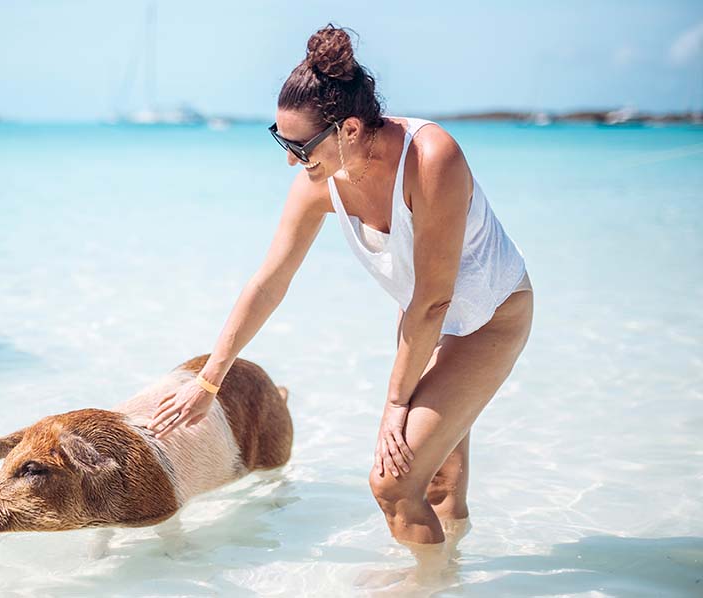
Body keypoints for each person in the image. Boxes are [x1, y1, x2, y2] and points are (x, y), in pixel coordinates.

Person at [148, 24, 534, 549]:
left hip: (489, 320)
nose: (288, 157)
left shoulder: (430, 158)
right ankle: (451, 575)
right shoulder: (318, 183)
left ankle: (423, 586)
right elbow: (269, 282)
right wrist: (209, 380)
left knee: (393, 483)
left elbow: (433, 297)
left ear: (349, 129)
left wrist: (394, 404)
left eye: (298, 144)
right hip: (423, 329)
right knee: (436, 479)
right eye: (278, 139)